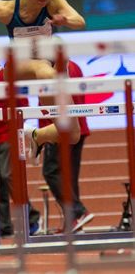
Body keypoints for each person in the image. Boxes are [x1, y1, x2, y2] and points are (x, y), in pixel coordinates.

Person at [0, 0, 86, 164]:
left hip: (45, 69)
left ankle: (36, 135)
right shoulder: (9, 10)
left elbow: (79, 21)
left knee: (73, 135)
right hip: (17, 68)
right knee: (45, 69)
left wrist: (65, 20)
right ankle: (47, 94)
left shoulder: (53, 1)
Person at [0, 65, 41, 236]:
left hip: (6, 135)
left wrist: (18, 130)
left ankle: (31, 216)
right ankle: (3, 225)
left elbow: (23, 105)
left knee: (8, 175)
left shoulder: (8, 76)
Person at [40, 60, 93, 233]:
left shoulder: (47, 71)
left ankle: (78, 210)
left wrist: (43, 134)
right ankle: (74, 223)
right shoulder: (76, 66)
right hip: (80, 127)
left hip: (60, 130)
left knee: (51, 171)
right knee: (69, 177)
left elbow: (49, 104)